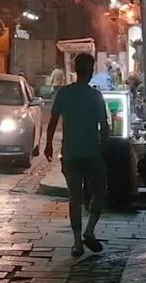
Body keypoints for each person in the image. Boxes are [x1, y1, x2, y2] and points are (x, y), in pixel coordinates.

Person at [45, 53, 110, 258]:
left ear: (75, 70)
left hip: (70, 153)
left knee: (75, 197)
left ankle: (76, 244)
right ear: (90, 72)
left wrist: (48, 145)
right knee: (100, 190)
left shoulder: (65, 93)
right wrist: (104, 147)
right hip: (91, 153)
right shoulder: (95, 96)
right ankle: (89, 231)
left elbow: (53, 121)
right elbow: (105, 127)